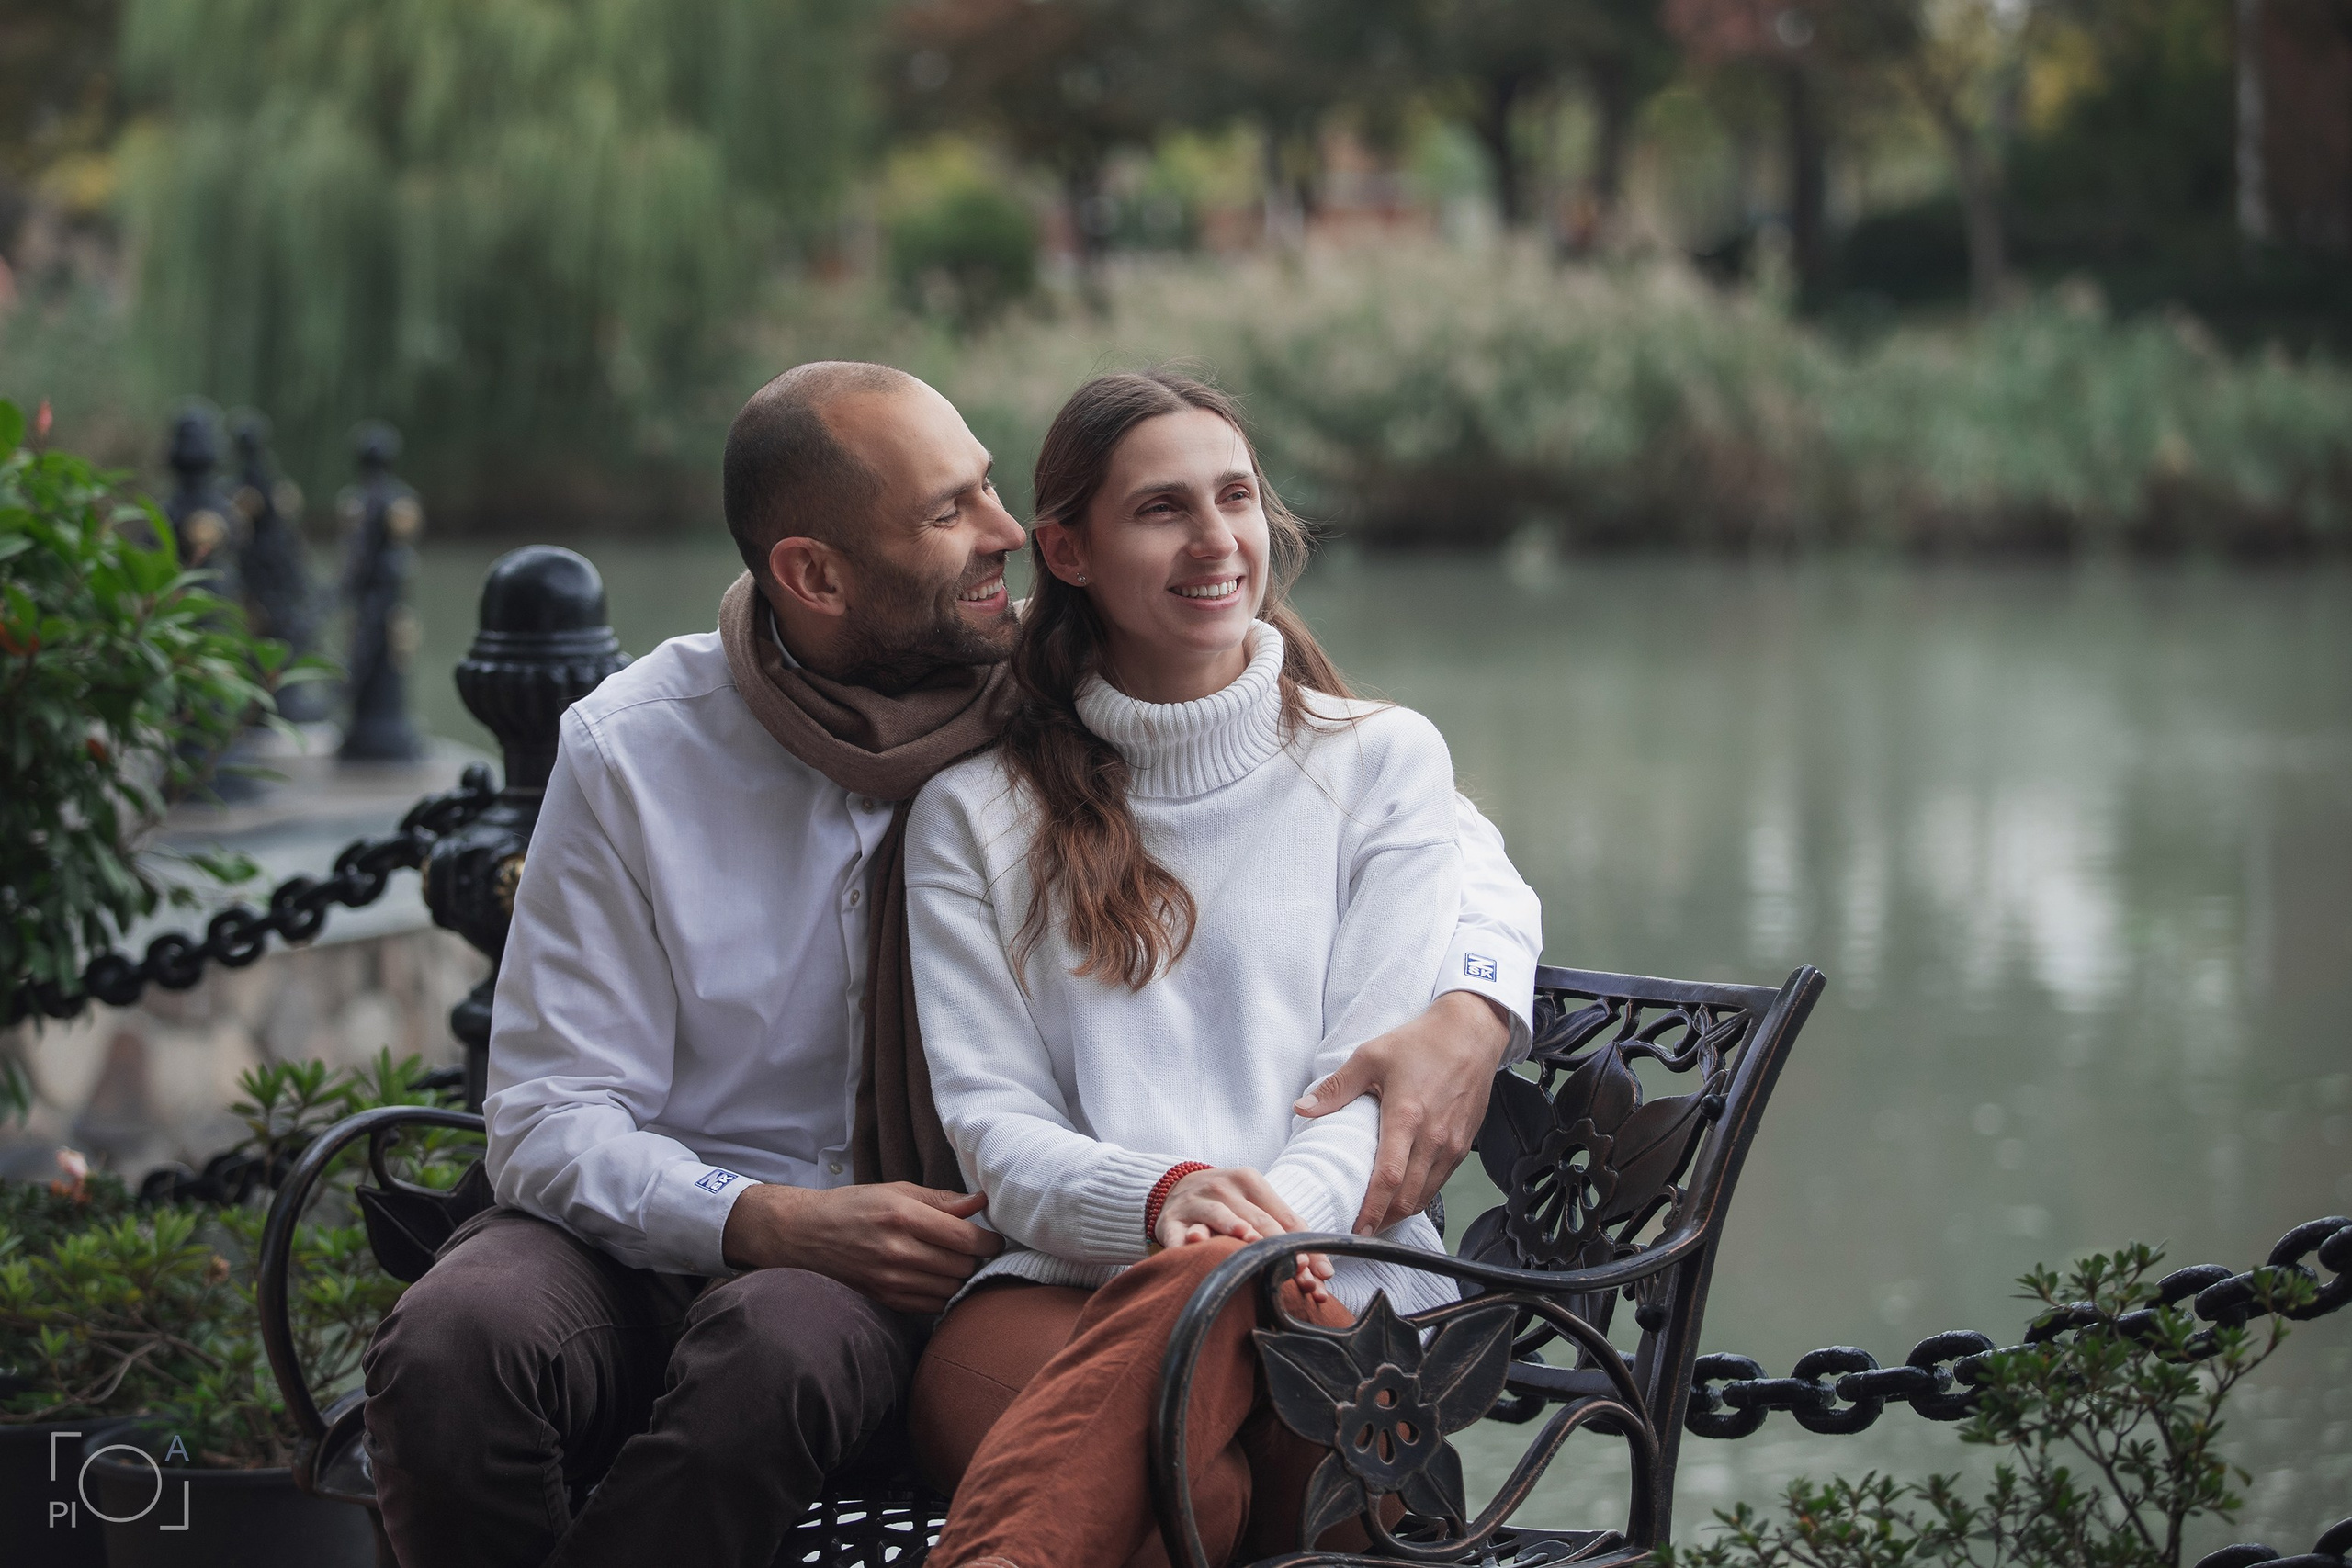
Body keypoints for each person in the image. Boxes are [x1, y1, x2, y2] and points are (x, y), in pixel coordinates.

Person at [361, 362, 1542, 1568]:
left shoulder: (1031, 684)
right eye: (948, 512)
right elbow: (548, 1114)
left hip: (897, 1274)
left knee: (782, 1361)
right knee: (455, 1343)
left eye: (987, 488)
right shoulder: (645, 748)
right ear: (814, 575)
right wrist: (763, 1219)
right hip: (684, 1222)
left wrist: (1476, 1002)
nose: (1004, 538)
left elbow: (1423, 821)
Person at [904, 369, 1476, 1568]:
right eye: (1164, 510)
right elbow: (994, 1130)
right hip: (1056, 1291)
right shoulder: (974, 815)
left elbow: (1366, 1093)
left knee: (1192, 1465)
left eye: (1237, 497)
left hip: (1330, 1297)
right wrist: (1164, 1201)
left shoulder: (1382, 764)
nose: (1219, 541)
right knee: (1184, 1491)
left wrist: (1250, 1246)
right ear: (1066, 549)